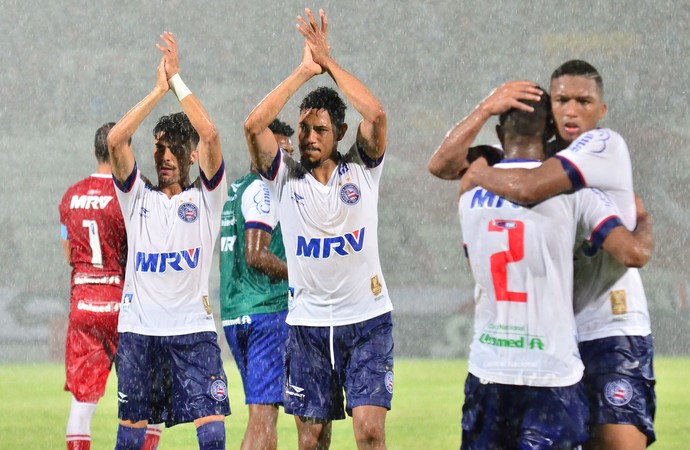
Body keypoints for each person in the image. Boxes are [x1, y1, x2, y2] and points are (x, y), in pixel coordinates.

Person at [461, 60, 656, 449]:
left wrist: (476, 172)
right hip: (557, 335)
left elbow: (530, 188)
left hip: (609, 324)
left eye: (584, 101)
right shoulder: (536, 158)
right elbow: (442, 164)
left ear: (601, 111)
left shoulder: (603, 145)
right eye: (562, 100)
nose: (571, 110)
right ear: (548, 109)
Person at [243, 8, 393, 450]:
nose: (308, 136)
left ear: (341, 131)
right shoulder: (285, 177)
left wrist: (329, 64)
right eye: (304, 127)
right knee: (310, 442)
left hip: (366, 322)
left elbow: (377, 115)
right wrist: (303, 72)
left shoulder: (362, 170)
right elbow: (253, 126)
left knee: (368, 432)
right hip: (307, 327)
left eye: (320, 129)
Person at [106, 31, 229, 450]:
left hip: (193, 333)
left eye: (175, 147)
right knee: (129, 440)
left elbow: (210, 134)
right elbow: (115, 141)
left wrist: (177, 81)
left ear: (191, 155)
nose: (165, 156)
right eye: (159, 148)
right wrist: (158, 90)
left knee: (212, 437)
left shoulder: (207, 198)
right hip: (139, 333)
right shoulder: (136, 196)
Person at [59, 123, 162, 450]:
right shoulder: (129, 194)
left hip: (84, 307)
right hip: (123, 307)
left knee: (82, 402)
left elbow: (69, 256)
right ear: (124, 149)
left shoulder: (71, 195)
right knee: (147, 400)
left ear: (94, 151)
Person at [219, 118, 294, 450]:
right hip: (265, 312)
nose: (289, 160)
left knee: (261, 413)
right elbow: (255, 255)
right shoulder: (264, 190)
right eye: (283, 151)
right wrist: (302, 275)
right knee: (264, 417)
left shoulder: (237, 188)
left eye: (291, 153)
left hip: (236, 312)